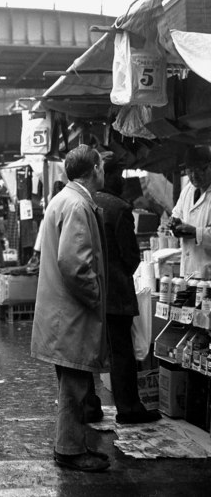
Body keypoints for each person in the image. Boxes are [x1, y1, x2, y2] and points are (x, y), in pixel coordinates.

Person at [30, 144, 110, 472]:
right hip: (72, 312)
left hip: (62, 312)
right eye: (102, 165)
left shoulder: (64, 199)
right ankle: (69, 450)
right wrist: (95, 296)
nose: (104, 171)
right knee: (75, 384)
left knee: (71, 383)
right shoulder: (77, 204)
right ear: (93, 169)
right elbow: (74, 264)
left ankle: (71, 445)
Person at [94, 160, 162, 425]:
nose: (123, 181)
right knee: (122, 352)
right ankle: (129, 408)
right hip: (117, 292)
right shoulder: (119, 208)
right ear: (106, 176)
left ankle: (90, 405)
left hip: (93, 291)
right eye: (119, 175)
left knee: (95, 350)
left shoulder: (89, 203)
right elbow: (131, 256)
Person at [169, 145, 211, 279]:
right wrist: (174, 226)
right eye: (190, 171)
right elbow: (176, 214)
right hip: (188, 271)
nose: (194, 176)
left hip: (208, 273)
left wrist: (195, 232)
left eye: (200, 170)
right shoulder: (187, 191)